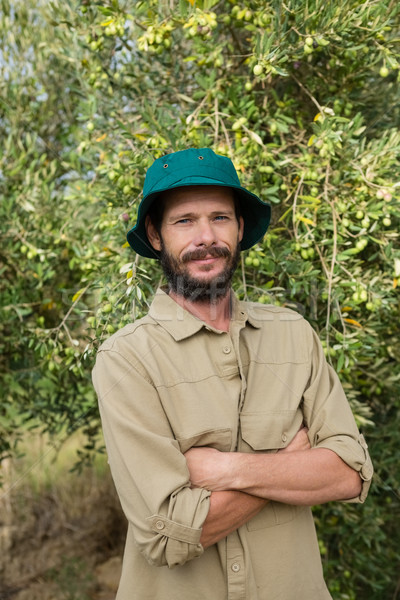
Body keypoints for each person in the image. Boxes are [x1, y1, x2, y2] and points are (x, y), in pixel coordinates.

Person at [92, 148, 373, 600]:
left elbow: (349, 473)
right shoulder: (126, 359)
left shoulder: (293, 335)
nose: (206, 236)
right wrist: (291, 463)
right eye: (184, 220)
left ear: (240, 229)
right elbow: (166, 536)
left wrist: (225, 469)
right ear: (155, 235)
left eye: (221, 217)